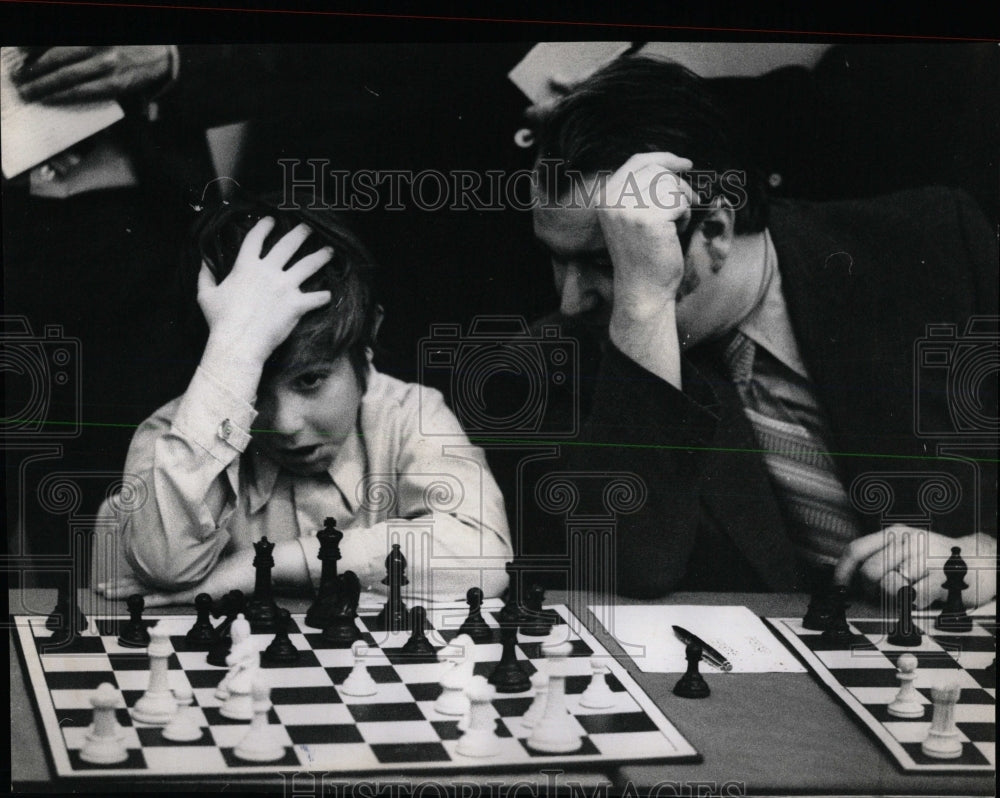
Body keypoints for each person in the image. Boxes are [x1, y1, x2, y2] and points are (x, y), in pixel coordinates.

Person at [512, 55, 997, 606]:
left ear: (715, 229)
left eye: (606, 261)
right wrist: (643, 302)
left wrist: (986, 554)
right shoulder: (551, 364)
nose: (570, 302)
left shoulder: (936, 246)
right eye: (556, 259)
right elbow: (632, 570)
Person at [93, 194, 512, 605]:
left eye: (310, 380)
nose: (285, 423)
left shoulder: (410, 416)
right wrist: (233, 352)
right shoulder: (172, 435)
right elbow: (164, 564)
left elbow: (485, 559)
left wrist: (259, 567)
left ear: (366, 340)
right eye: (252, 388)